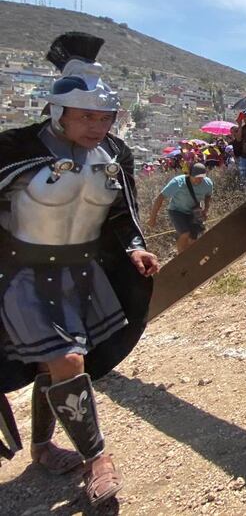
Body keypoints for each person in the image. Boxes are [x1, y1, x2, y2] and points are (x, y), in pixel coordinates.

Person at [0, 32, 158, 506]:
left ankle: (44, 446)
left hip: (82, 273)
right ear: (57, 112)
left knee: (58, 366)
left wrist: (134, 248)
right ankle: (98, 459)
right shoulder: (12, 148)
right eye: (86, 116)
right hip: (20, 275)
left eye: (105, 117)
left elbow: (122, 214)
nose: (97, 126)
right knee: (67, 359)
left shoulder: (115, 155)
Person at [147, 162, 213, 254]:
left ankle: (191, 257)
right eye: (196, 177)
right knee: (185, 233)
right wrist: (152, 218)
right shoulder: (178, 182)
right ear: (189, 174)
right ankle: (181, 257)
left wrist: (206, 210)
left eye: (201, 178)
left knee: (194, 237)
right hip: (177, 211)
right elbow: (160, 197)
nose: (199, 180)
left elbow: (208, 196)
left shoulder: (208, 183)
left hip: (194, 211)